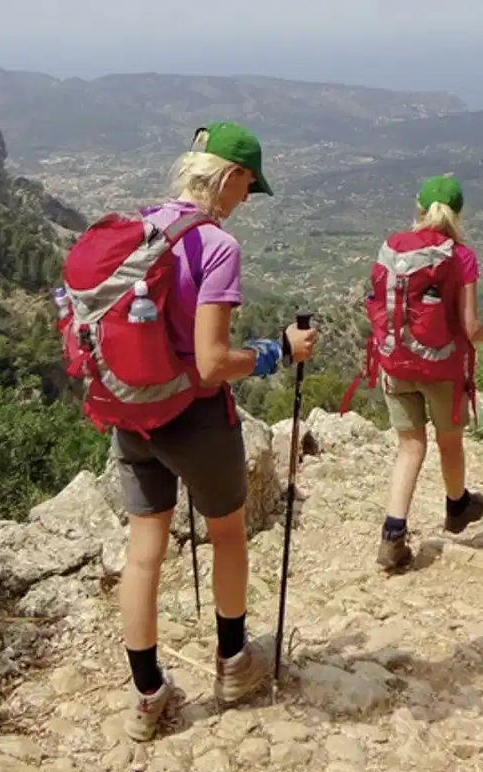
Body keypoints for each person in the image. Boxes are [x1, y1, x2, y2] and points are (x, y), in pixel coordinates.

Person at [113, 121, 316, 741]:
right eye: (249, 186)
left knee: (143, 552)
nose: (247, 200)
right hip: (193, 417)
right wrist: (276, 350)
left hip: (130, 410)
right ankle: (233, 664)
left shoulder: (140, 228)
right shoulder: (216, 247)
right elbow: (210, 362)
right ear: (228, 176)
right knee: (227, 533)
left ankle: (148, 696)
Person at [376, 174, 483, 572]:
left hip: (395, 364)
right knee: (449, 442)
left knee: (410, 448)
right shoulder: (462, 256)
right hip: (442, 368)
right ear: (457, 214)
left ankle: (392, 536)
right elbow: (469, 329)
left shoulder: (393, 247)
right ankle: (457, 506)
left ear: (419, 209)